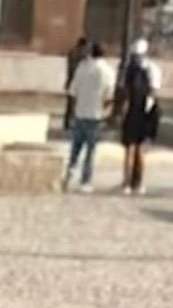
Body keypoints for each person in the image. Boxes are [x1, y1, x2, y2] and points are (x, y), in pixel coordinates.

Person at [63, 38, 113, 188]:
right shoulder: (107, 71)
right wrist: (107, 111)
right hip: (96, 114)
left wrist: (72, 111)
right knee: (91, 151)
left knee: (75, 149)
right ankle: (85, 181)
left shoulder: (82, 68)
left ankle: (69, 174)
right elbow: (108, 94)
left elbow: (73, 92)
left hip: (80, 112)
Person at [118, 36, 160, 194]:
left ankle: (127, 183)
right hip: (145, 111)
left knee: (129, 149)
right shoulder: (153, 68)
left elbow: (124, 92)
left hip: (132, 111)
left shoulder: (128, 69)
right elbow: (154, 92)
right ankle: (139, 183)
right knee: (141, 150)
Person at [62, 30, 88, 129]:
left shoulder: (72, 52)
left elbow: (70, 68)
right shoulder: (83, 55)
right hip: (80, 82)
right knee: (78, 104)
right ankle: (75, 123)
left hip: (71, 80)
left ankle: (67, 122)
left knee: (70, 104)